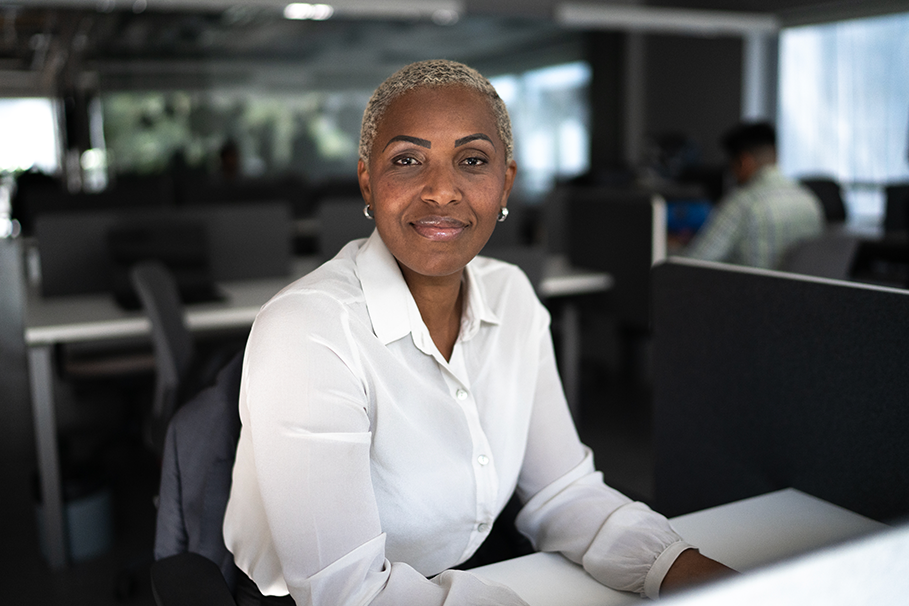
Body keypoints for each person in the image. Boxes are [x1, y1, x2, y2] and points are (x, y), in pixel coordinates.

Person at [223, 59, 733, 606]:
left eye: (472, 160)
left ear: (504, 182)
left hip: (461, 571)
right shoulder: (307, 332)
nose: (442, 191)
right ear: (368, 180)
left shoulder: (511, 295)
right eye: (407, 160)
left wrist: (684, 569)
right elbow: (347, 591)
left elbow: (562, 492)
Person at [684, 121, 824, 269]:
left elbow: (694, 262)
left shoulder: (744, 202)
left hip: (751, 290)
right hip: (799, 291)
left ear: (744, 162)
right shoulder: (809, 199)